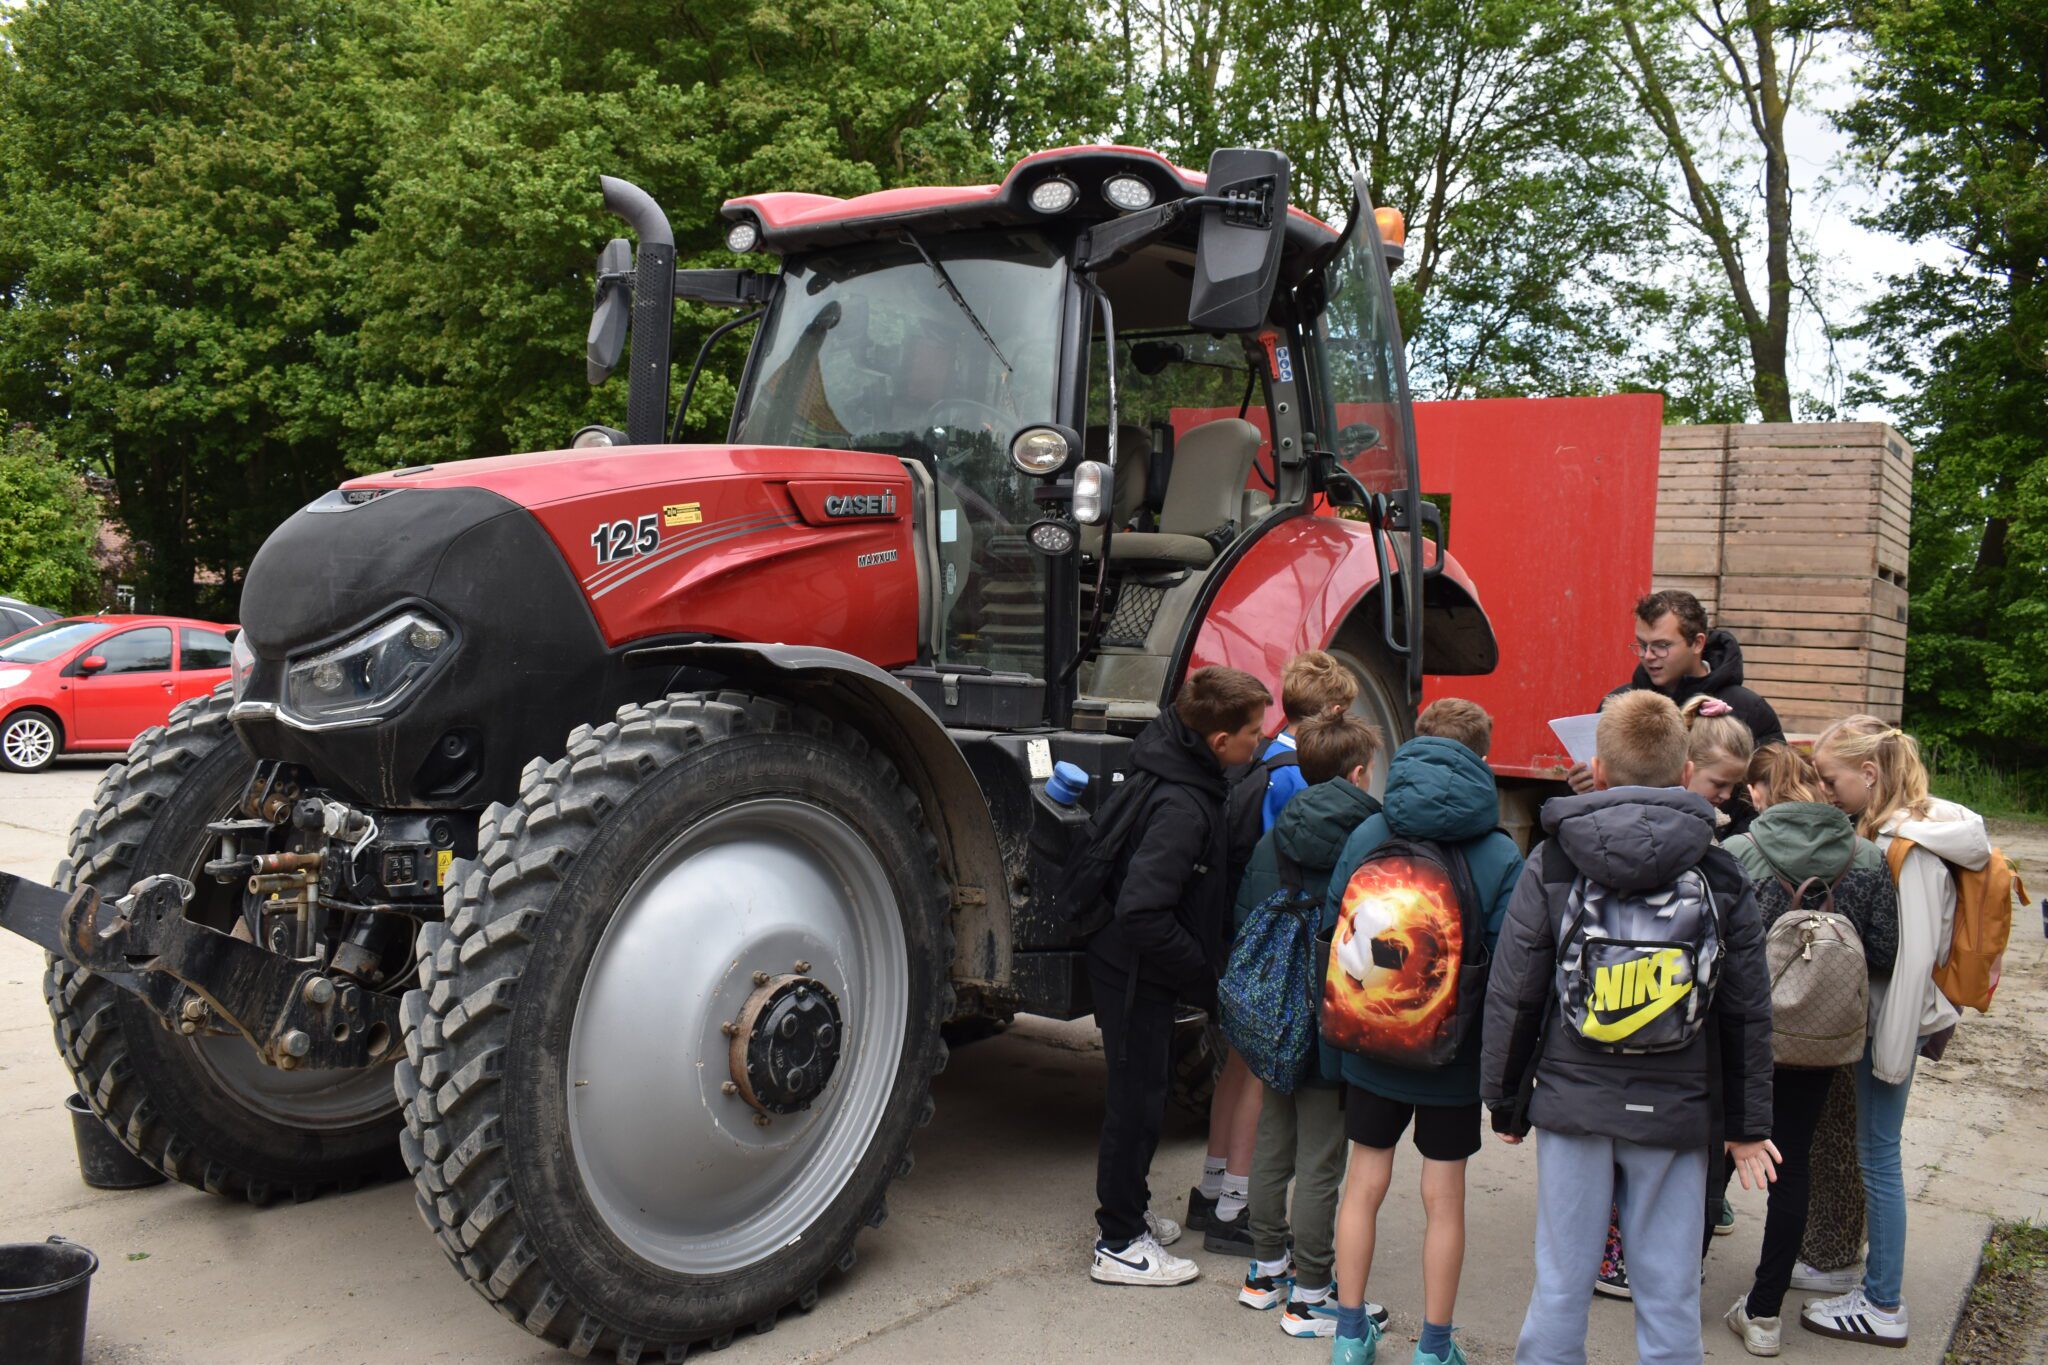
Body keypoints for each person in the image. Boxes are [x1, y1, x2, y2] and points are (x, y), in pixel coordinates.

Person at [1483, 690, 1779, 1365]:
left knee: (1561, 1285)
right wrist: (1748, 1123)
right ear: (1684, 774)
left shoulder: (1555, 861)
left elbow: (1517, 991)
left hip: (1571, 1101)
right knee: (1670, 1295)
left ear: (1601, 769)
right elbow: (1745, 1009)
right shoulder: (1721, 870)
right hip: (1676, 1110)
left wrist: (1505, 1098)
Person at [1325, 698, 1523, 1365]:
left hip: (1372, 1036)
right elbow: (1506, 967)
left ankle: (1350, 1334)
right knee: (1444, 1195)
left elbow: (1332, 926)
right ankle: (1435, 1348)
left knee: (1364, 1182)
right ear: (1482, 757)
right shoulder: (1498, 851)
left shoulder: (1369, 831)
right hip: (1452, 1054)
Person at [1801, 716, 1991, 1347]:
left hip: (1891, 1029)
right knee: (1874, 1153)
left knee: (1879, 1157)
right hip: (1889, 1024)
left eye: (1832, 779)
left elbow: (1910, 964)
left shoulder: (1907, 850)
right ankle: (1863, 1279)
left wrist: (1889, 1055)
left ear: (1870, 774)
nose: (1826, 790)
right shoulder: (1911, 830)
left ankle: (1883, 1303)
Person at [1089, 666, 1272, 1288]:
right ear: (1219, 741)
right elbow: (1142, 911)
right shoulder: (1183, 806)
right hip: (1138, 971)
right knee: (1137, 1103)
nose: (1261, 740)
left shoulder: (1178, 764)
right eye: (1252, 732)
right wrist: (1201, 973)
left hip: (1137, 967)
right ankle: (1118, 1243)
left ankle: (1131, 1214)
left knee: (1143, 1093)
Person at [1719, 744, 1901, 1356]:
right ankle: (1766, 1315)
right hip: (1819, 1040)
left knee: (1714, 1154)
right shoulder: (1868, 859)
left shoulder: (1738, 852)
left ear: (1761, 793)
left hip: (1741, 1032)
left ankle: (1673, 1278)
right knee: (1790, 1163)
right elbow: (1882, 951)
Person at [1197, 651, 1362, 1252]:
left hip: (1239, 926)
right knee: (1262, 1078)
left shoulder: (1257, 756)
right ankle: (1236, 1206)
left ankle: (1213, 1185)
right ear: (1336, 713)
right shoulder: (1299, 775)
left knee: (1235, 1068)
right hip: (1275, 943)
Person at [1228, 711, 1386, 1337]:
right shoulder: (1371, 837)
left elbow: (1246, 912)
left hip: (1276, 1014)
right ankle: (1314, 1292)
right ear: (1355, 772)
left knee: (1274, 1138)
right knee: (1322, 1159)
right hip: (1332, 1017)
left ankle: (1266, 1271)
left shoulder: (1276, 833)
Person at [1568, 591, 1785, 821]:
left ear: (1697, 643)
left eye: (1661, 645)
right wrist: (1582, 789)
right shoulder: (1617, 705)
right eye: (1641, 645)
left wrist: (1732, 845)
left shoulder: (1749, 710)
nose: (1648, 655)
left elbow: (1778, 795)